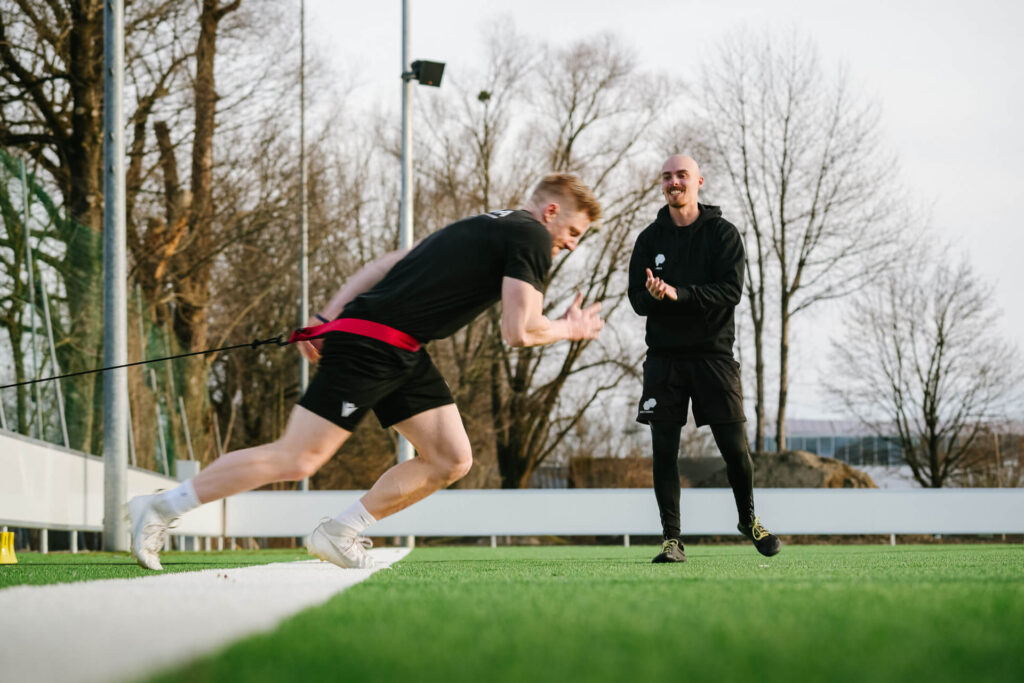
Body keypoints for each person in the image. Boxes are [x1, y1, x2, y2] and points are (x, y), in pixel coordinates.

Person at [128, 173, 604, 571]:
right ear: (552, 212)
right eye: (574, 233)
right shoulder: (533, 237)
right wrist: (570, 328)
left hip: (402, 348)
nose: (569, 244)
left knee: (451, 458)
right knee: (297, 458)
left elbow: (389, 262)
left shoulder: (487, 224)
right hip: (373, 345)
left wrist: (327, 315)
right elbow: (518, 331)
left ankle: (340, 531)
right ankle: (161, 507)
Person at [628, 155, 781, 563]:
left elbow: (730, 291)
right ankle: (672, 540)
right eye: (667, 177)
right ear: (661, 185)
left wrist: (681, 293)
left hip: (714, 356)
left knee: (735, 450)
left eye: (681, 176)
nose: (674, 182)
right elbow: (636, 300)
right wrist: (654, 296)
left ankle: (748, 520)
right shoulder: (649, 239)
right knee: (664, 451)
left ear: (699, 181)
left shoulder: (723, 234)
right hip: (664, 360)